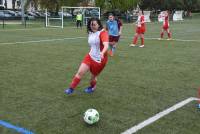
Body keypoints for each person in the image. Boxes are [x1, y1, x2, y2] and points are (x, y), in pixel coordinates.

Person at [65, 18, 109, 95]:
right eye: (91, 24)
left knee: (92, 78)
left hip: (100, 60)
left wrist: (102, 53)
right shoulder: (90, 32)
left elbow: (106, 45)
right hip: (90, 56)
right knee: (80, 72)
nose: (93, 26)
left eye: (94, 24)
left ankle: (92, 86)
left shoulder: (103, 33)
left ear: (99, 24)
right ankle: (71, 88)